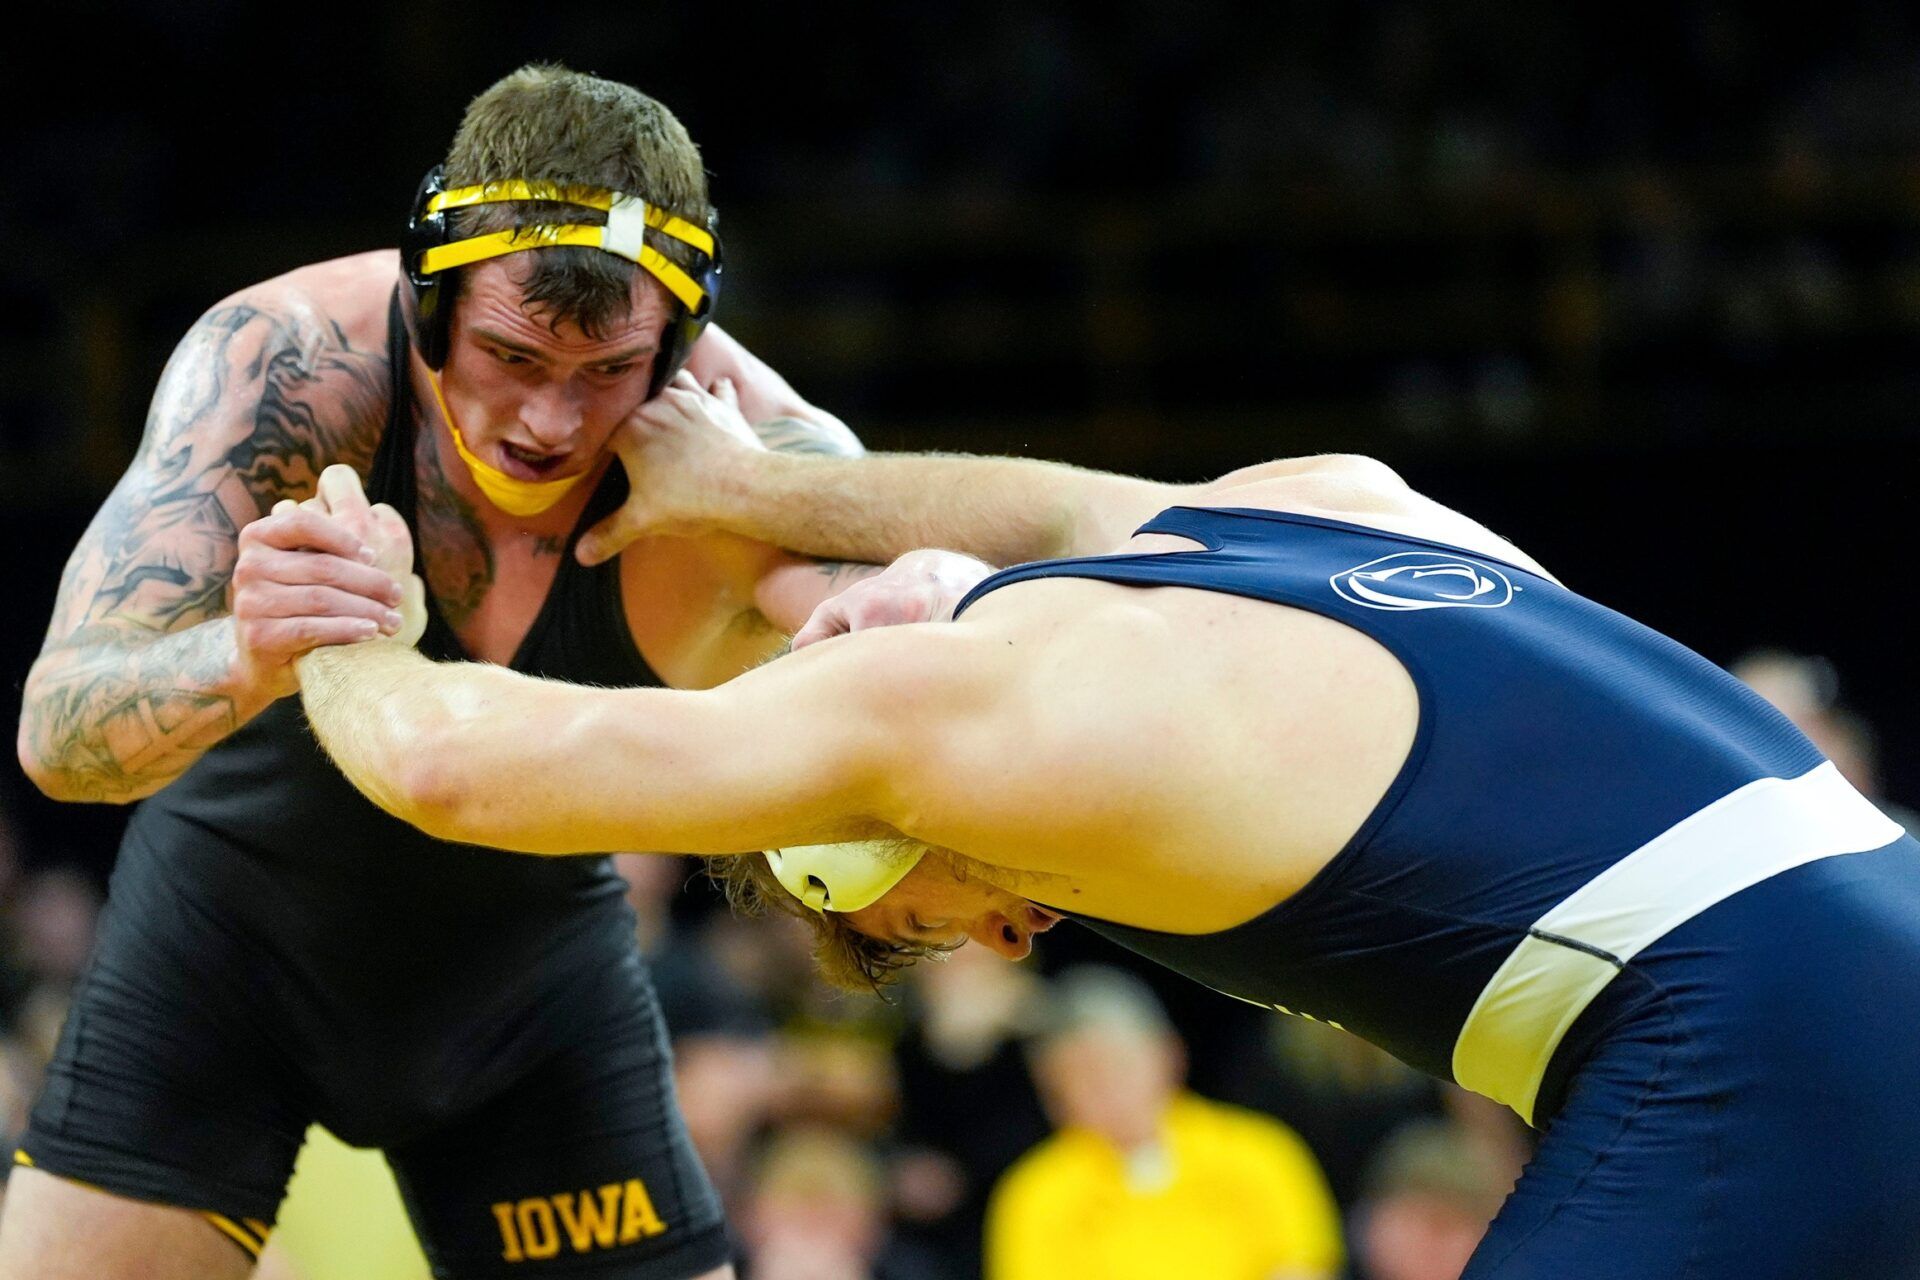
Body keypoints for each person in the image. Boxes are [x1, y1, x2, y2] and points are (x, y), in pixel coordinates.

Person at [297, 373, 1920, 1279]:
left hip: (1757, 1030)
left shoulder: (968, 729)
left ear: (875, 827)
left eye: (936, 919)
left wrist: (340, 631)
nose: (1019, 928)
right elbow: (1046, 503)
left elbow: (458, 769)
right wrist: (746, 484)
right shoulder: (1302, 505)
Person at [5, 64, 891, 1280]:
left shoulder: (747, 440)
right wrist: (248, 650)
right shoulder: (288, 364)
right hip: (223, 943)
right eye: (513, 355)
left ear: (677, 347)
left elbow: (909, 644)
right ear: (430, 308)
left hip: (530, 987)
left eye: (606, 371)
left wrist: (784, 532)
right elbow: (56, 734)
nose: (551, 422)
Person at [984, 965, 1342, 1280]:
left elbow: (1303, 1268)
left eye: (1117, 1064)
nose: (1104, 1088)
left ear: (1168, 1054)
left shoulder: (1259, 1151)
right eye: (1077, 1077)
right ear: (1051, 1094)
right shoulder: (1036, 1194)